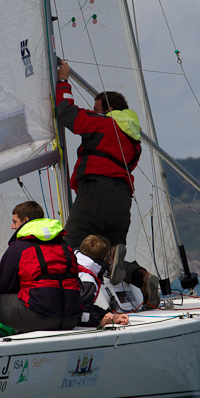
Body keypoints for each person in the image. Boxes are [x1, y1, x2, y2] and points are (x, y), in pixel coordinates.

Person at [56, 60, 160, 307]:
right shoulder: (133, 139)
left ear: (109, 109)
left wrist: (63, 81)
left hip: (95, 193)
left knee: (69, 249)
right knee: (106, 257)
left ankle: (63, 300)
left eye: (97, 108)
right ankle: (141, 276)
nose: (94, 111)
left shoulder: (103, 122)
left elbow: (66, 112)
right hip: (122, 200)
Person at [0, 201, 82, 333]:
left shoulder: (19, 247)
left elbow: (2, 286)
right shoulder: (65, 246)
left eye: (14, 222)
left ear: (25, 220)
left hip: (39, 317)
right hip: (71, 318)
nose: (12, 226)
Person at [75, 235, 129, 328]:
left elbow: (84, 307)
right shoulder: (88, 281)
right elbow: (78, 314)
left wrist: (107, 315)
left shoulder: (74, 267)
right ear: (105, 259)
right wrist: (100, 320)